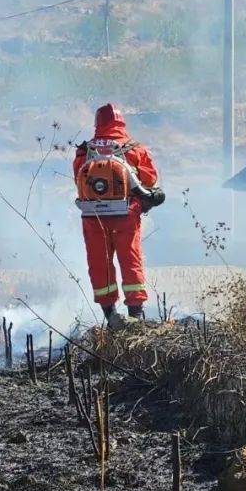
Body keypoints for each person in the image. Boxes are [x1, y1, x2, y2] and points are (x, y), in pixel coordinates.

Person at [73, 104, 164, 326]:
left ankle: (110, 313)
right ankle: (136, 314)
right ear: (121, 123)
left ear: (97, 123)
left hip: (92, 217)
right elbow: (150, 180)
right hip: (126, 215)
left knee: (99, 262)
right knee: (130, 260)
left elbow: (78, 179)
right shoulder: (134, 149)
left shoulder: (85, 150)